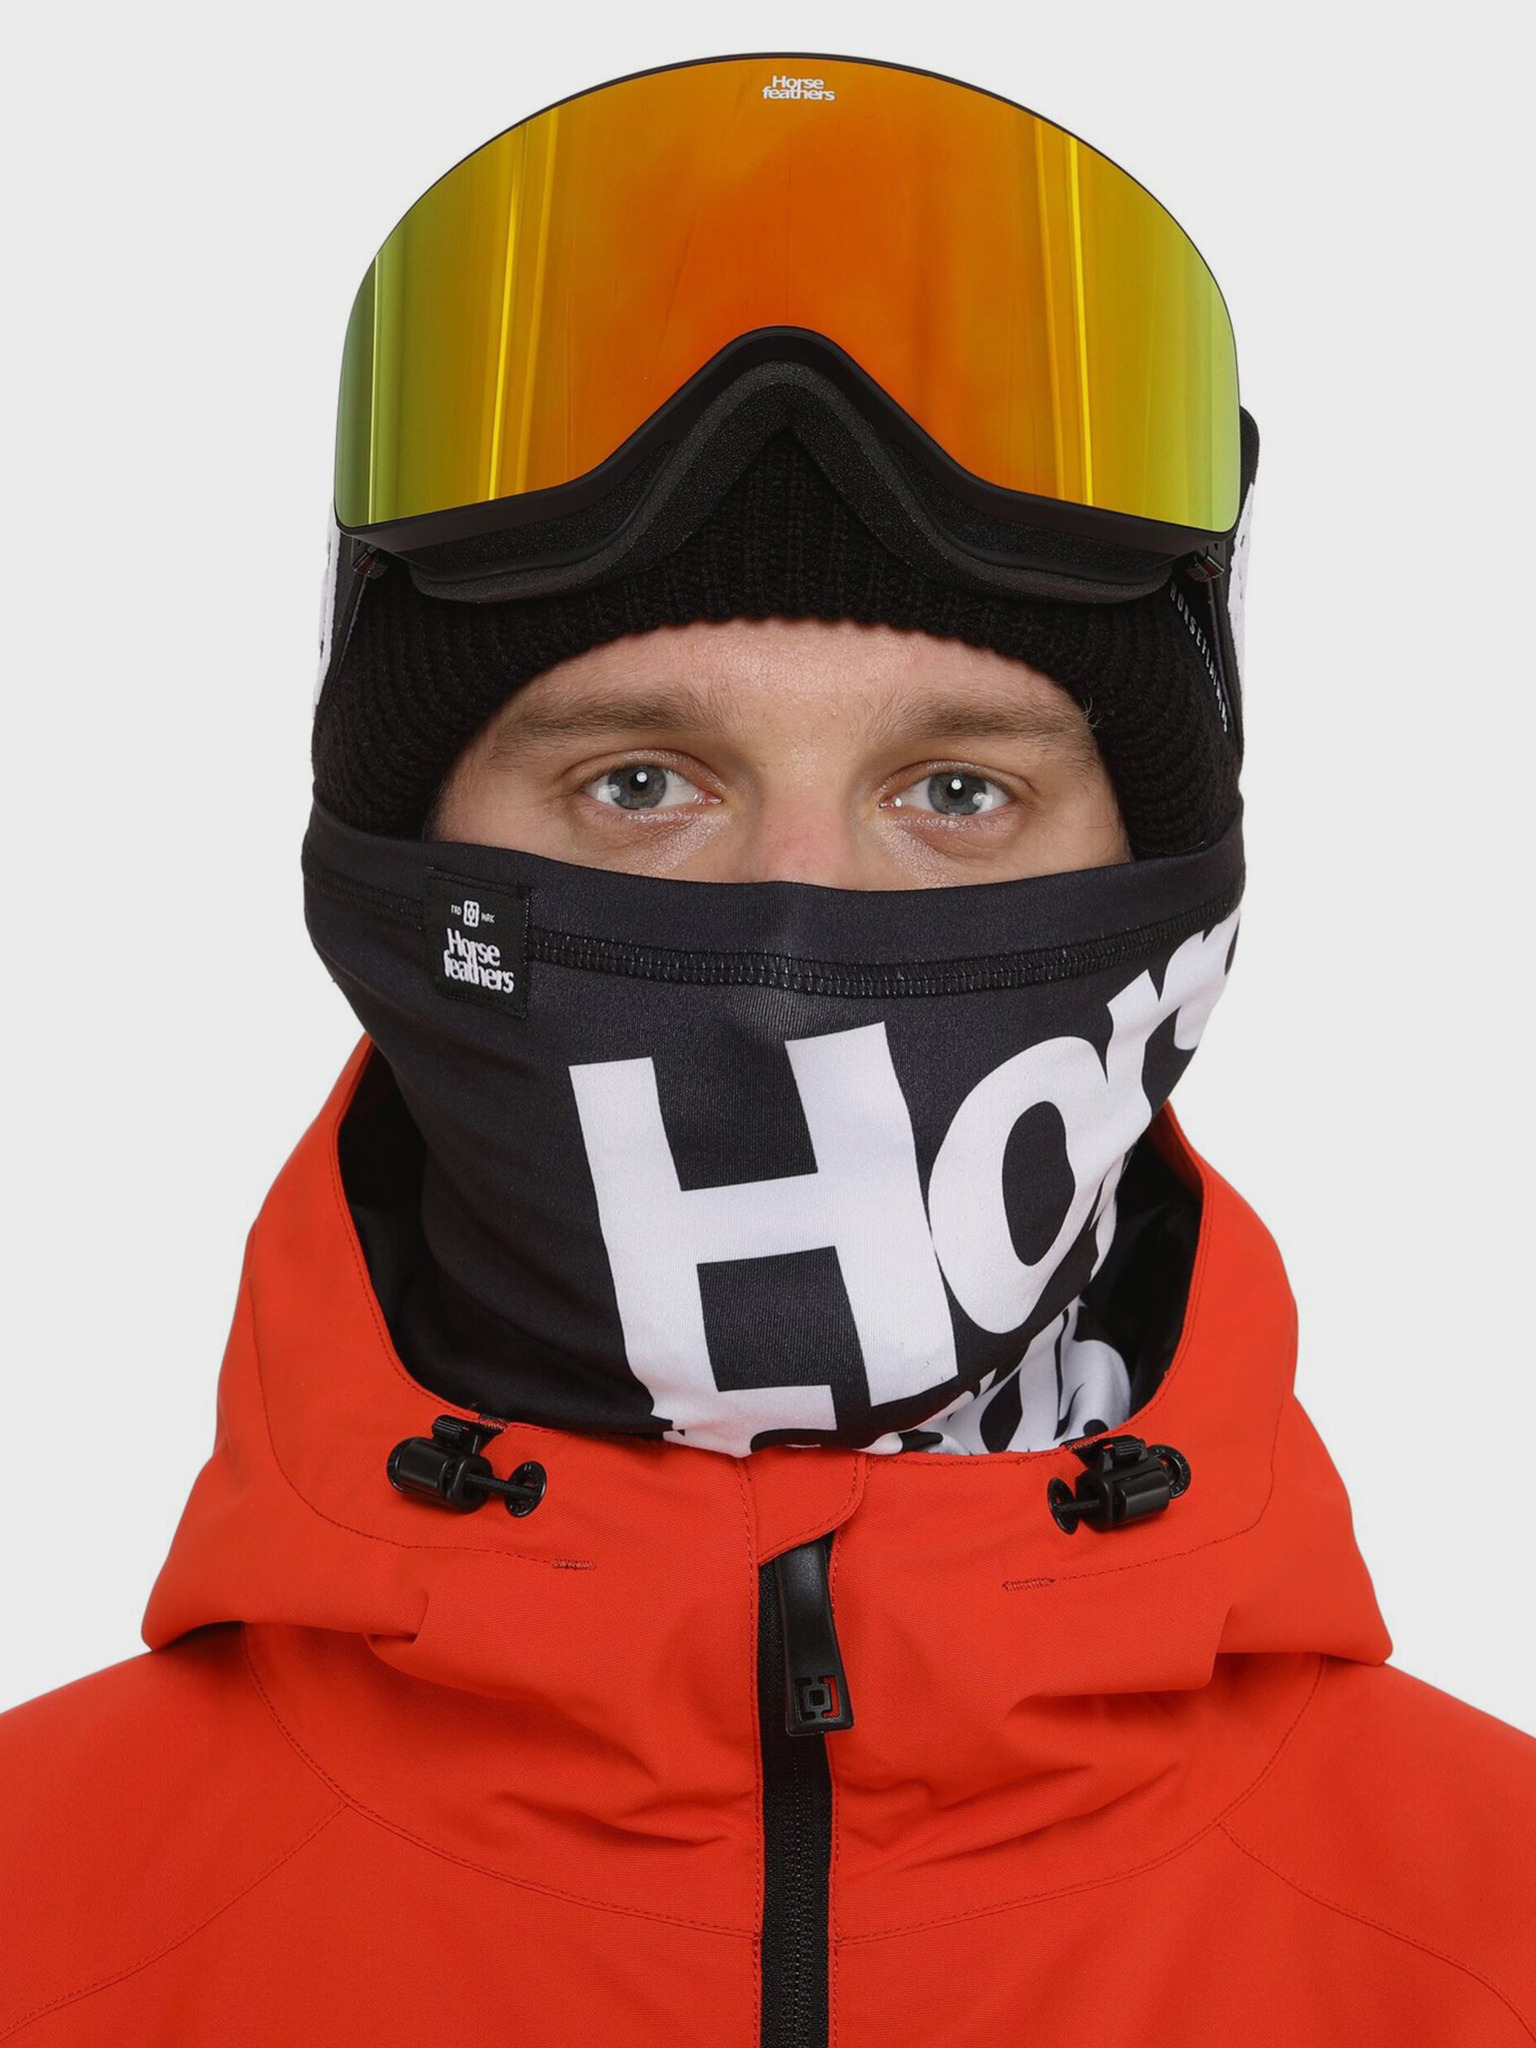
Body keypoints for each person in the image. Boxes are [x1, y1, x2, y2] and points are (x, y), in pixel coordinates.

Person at [2, 52, 1532, 2047]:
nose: (795, 937)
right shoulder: (40, 1916)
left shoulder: (1491, 1933)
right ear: (402, 855)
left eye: (959, 794)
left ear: (1164, 892)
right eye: (641, 781)